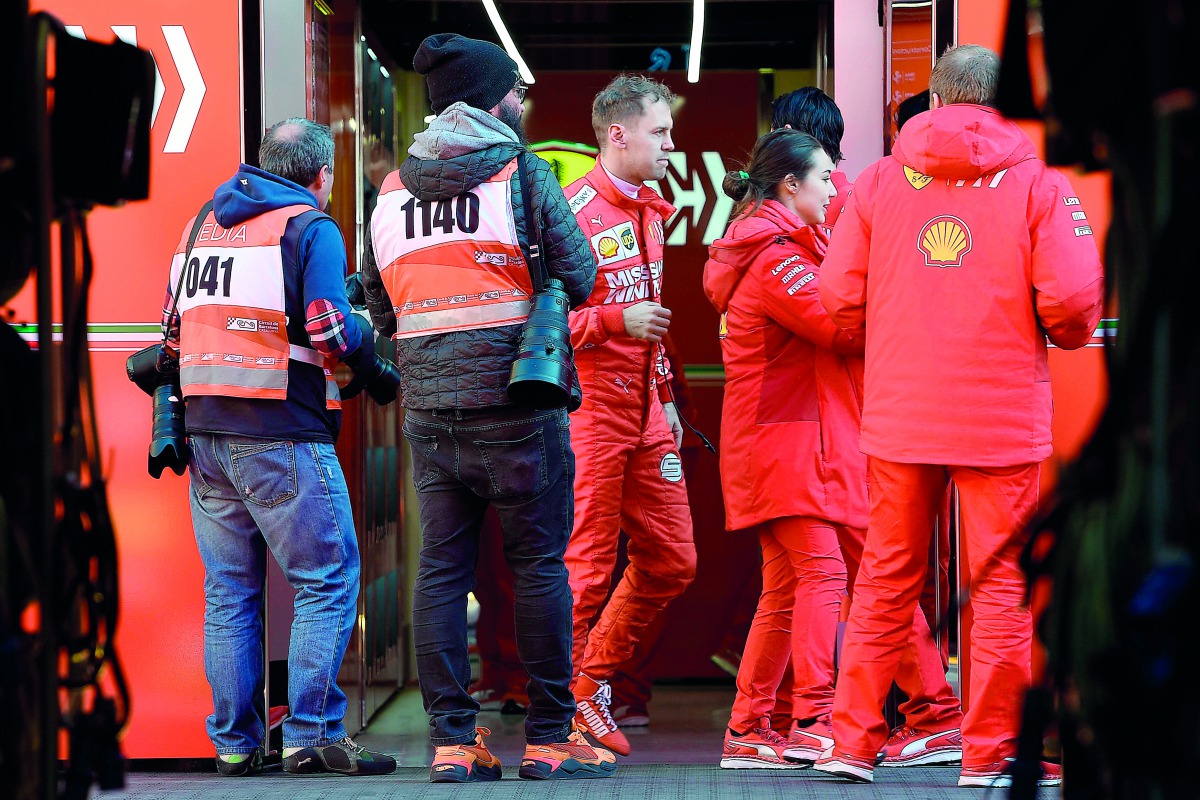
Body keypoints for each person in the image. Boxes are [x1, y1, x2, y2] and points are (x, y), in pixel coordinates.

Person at [814, 44, 1104, 787]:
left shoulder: (877, 182)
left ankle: (851, 744)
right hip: (999, 417)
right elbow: (1073, 304)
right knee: (1001, 587)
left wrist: (901, 330)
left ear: (933, 100)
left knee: (884, 577)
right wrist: (1055, 332)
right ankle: (990, 754)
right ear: (999, 100)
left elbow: (839, 298)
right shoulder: (1038, 184)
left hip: (902, 413)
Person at [362, 33, 615, 783]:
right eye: (517, 90)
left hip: (431, 412)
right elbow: (583, 275)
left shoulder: (389, 190)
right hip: (518, 403)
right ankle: (545, 740)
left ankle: (451, 743)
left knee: (440, 570)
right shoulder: (523, 174)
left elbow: (378, 306)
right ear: (491, 99)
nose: (525, 101)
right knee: (538, 565)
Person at [703, 129, 963, 770]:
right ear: (791, 185)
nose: (834, 186)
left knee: (798, 588)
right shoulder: (773, 255)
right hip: (790, 447)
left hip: (805, 443)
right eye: (824, 176)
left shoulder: (784, 243)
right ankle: (811, 721)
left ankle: (754, 729)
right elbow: (840, 325)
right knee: (825, 577)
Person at [163, 118, 397, 777]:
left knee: (230, 591)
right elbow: (328, 326)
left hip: (206, 432)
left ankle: (235, 744)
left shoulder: (202, 223)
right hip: (280, 432)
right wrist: (367, 346)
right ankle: (311, 733)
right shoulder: (308, 226)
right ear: (322, 176)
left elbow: (171, 331)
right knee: (326, 581)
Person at [560, 74, 697, 757]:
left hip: (645, 408)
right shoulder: (572, 210)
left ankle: (587, 680)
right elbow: (543, 321)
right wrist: (618, 319)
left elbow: (656, 324)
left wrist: (667, 398)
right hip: (588, 409)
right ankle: (567, 704)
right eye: (661, 133)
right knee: (584, 564)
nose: (672, 145)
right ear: (619, 134)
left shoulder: (652, 209)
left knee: (674, 560)